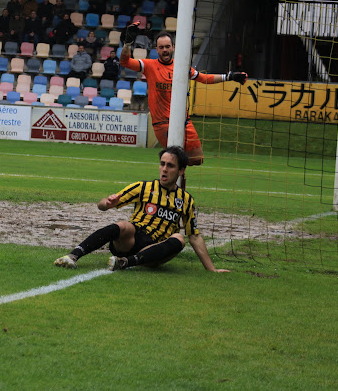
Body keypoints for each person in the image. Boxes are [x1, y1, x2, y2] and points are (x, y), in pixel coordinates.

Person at [54, 146, 230, 273]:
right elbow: (102, 206)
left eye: (170, 166)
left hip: (155, 251)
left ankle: (125, 263)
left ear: (181, 171)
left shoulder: (186, 200)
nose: (164, 169)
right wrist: (107, 203)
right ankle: (73, 256)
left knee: (179, 238)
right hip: (131, 240)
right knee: (124, 225)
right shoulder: (144, 188)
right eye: (162, 164)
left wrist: (211, 269)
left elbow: (195, 235)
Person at [120, 26, 248, 166]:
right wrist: (127, 44)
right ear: (156, 50)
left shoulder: (181, 67)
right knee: (174, 161)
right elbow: (125, 62)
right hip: (162, 124)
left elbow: (204, 78)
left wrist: (229, 76)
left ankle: (174, 172)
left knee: (197, 159)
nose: (165, 50)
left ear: (173, 47)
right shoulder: (149, 65)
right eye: (161, 47)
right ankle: (173, 179)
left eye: (167, 46)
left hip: (184, 121)